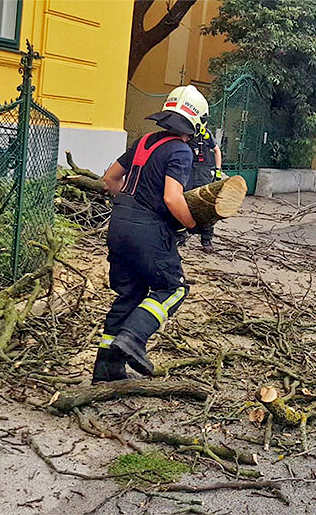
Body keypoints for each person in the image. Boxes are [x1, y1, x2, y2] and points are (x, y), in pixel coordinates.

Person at [91, 85, 208, 383]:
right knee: (173, 288)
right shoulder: (180, 150)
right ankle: (133, 338)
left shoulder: (143, 141)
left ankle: (107, 369)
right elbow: (172, 198)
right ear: (196, 123)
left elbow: (110, 179)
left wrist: (127, 205)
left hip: (118, 225)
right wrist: (192, 224)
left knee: (129, 294)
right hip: (149, 231)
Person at [179, 125, 223, 252]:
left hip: (204, 172)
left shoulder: (206, 134)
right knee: (183, 201)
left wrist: (218, 170)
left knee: (206, 204)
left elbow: (216, 150)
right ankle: (180, 236)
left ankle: (206, 240)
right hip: (189, 171)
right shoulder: (186, 131)